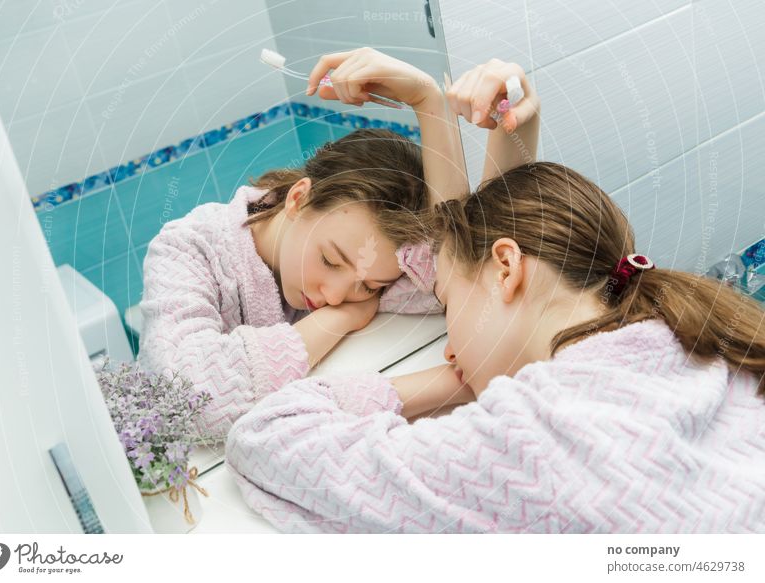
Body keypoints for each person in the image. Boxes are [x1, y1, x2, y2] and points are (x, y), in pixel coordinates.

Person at [224, 60, 765, 533]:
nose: (451, 349)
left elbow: (267, 435)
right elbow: (475, 234)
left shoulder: (526, 439)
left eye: (451, 304)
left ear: (507, 268)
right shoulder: (697, 335)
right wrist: (438, 105)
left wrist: (431, 387)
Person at [137, 48, 469, 445]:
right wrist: (335, 321)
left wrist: (429, 103)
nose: (335, 295)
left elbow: (455, 273)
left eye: (370, 286)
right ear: (297, 199)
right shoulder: (187, 248)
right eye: (329, 260)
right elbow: (188, 401)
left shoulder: (364, 270)